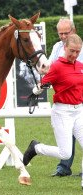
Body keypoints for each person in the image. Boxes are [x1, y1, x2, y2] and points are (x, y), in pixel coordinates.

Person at [23, 34, 83, 179]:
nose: (74, 55)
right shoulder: (56, 66)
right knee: (65, 153)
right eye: (72, 51)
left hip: (79, 111)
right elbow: (38, 88)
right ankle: (36, 148)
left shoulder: (81, 66)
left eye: (78, 51)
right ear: (65, 48)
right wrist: (38, 89)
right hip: (62, 112)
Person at [48, 18, 83, 177]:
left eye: (66, 33)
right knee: (66, 134)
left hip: (79, 96)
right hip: (64, 98)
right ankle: (64, 167)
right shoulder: (56, 47)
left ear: (73, 31)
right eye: (60, 33)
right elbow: (49, 67)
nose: (62, 36)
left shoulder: (80, 48)